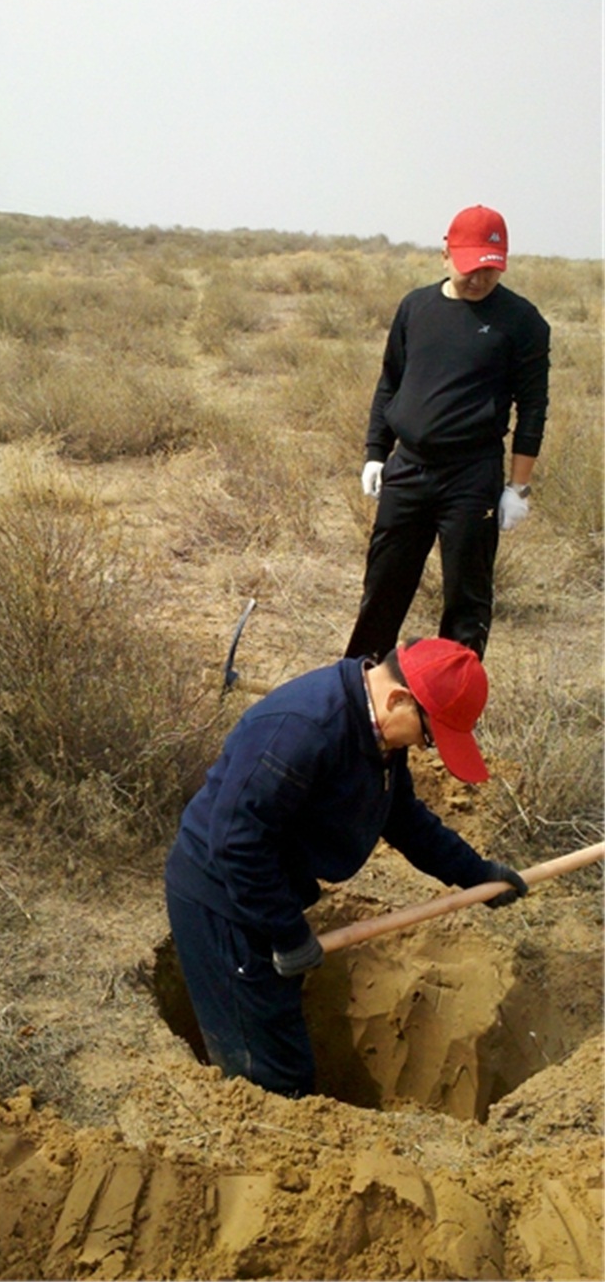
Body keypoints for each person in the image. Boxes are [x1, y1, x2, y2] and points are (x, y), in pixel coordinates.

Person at [165, 637, 527, 1099]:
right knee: (271, 1077)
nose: (426, 747)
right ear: (399, 699)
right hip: (219, 898)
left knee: (279, 1047)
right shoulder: (305, 730)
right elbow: (236, 843)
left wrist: (477, 873)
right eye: (431, 734)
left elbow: (403, 818)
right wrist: (287, 933)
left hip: (263, 890)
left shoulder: (375, 732)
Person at [344, 205, 550, 665]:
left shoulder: (522, 322)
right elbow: (389, 382)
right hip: (408, 468)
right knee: (382, 590)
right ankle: (359, 698)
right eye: (469, 265)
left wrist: (517, 487)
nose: (478, 279)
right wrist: (376, 453)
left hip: (471, 478)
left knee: (466, 605)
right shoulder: (415, 307)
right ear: (445, 252)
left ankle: (446, 711)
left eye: (489, 269)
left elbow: (533, 409)